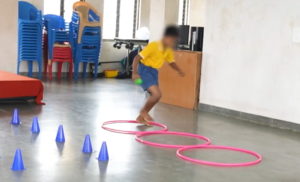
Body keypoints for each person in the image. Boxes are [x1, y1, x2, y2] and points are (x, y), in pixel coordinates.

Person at [132, 25, 185, 126]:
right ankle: (143, 112)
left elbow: (171, 62)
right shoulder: (154, 45)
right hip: (144, 69)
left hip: (154, 72)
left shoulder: (168, 50)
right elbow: (137, 58)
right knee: (157, 94)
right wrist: (134, 73)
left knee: (156, 96)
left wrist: (179, 70)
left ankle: (140, 118)